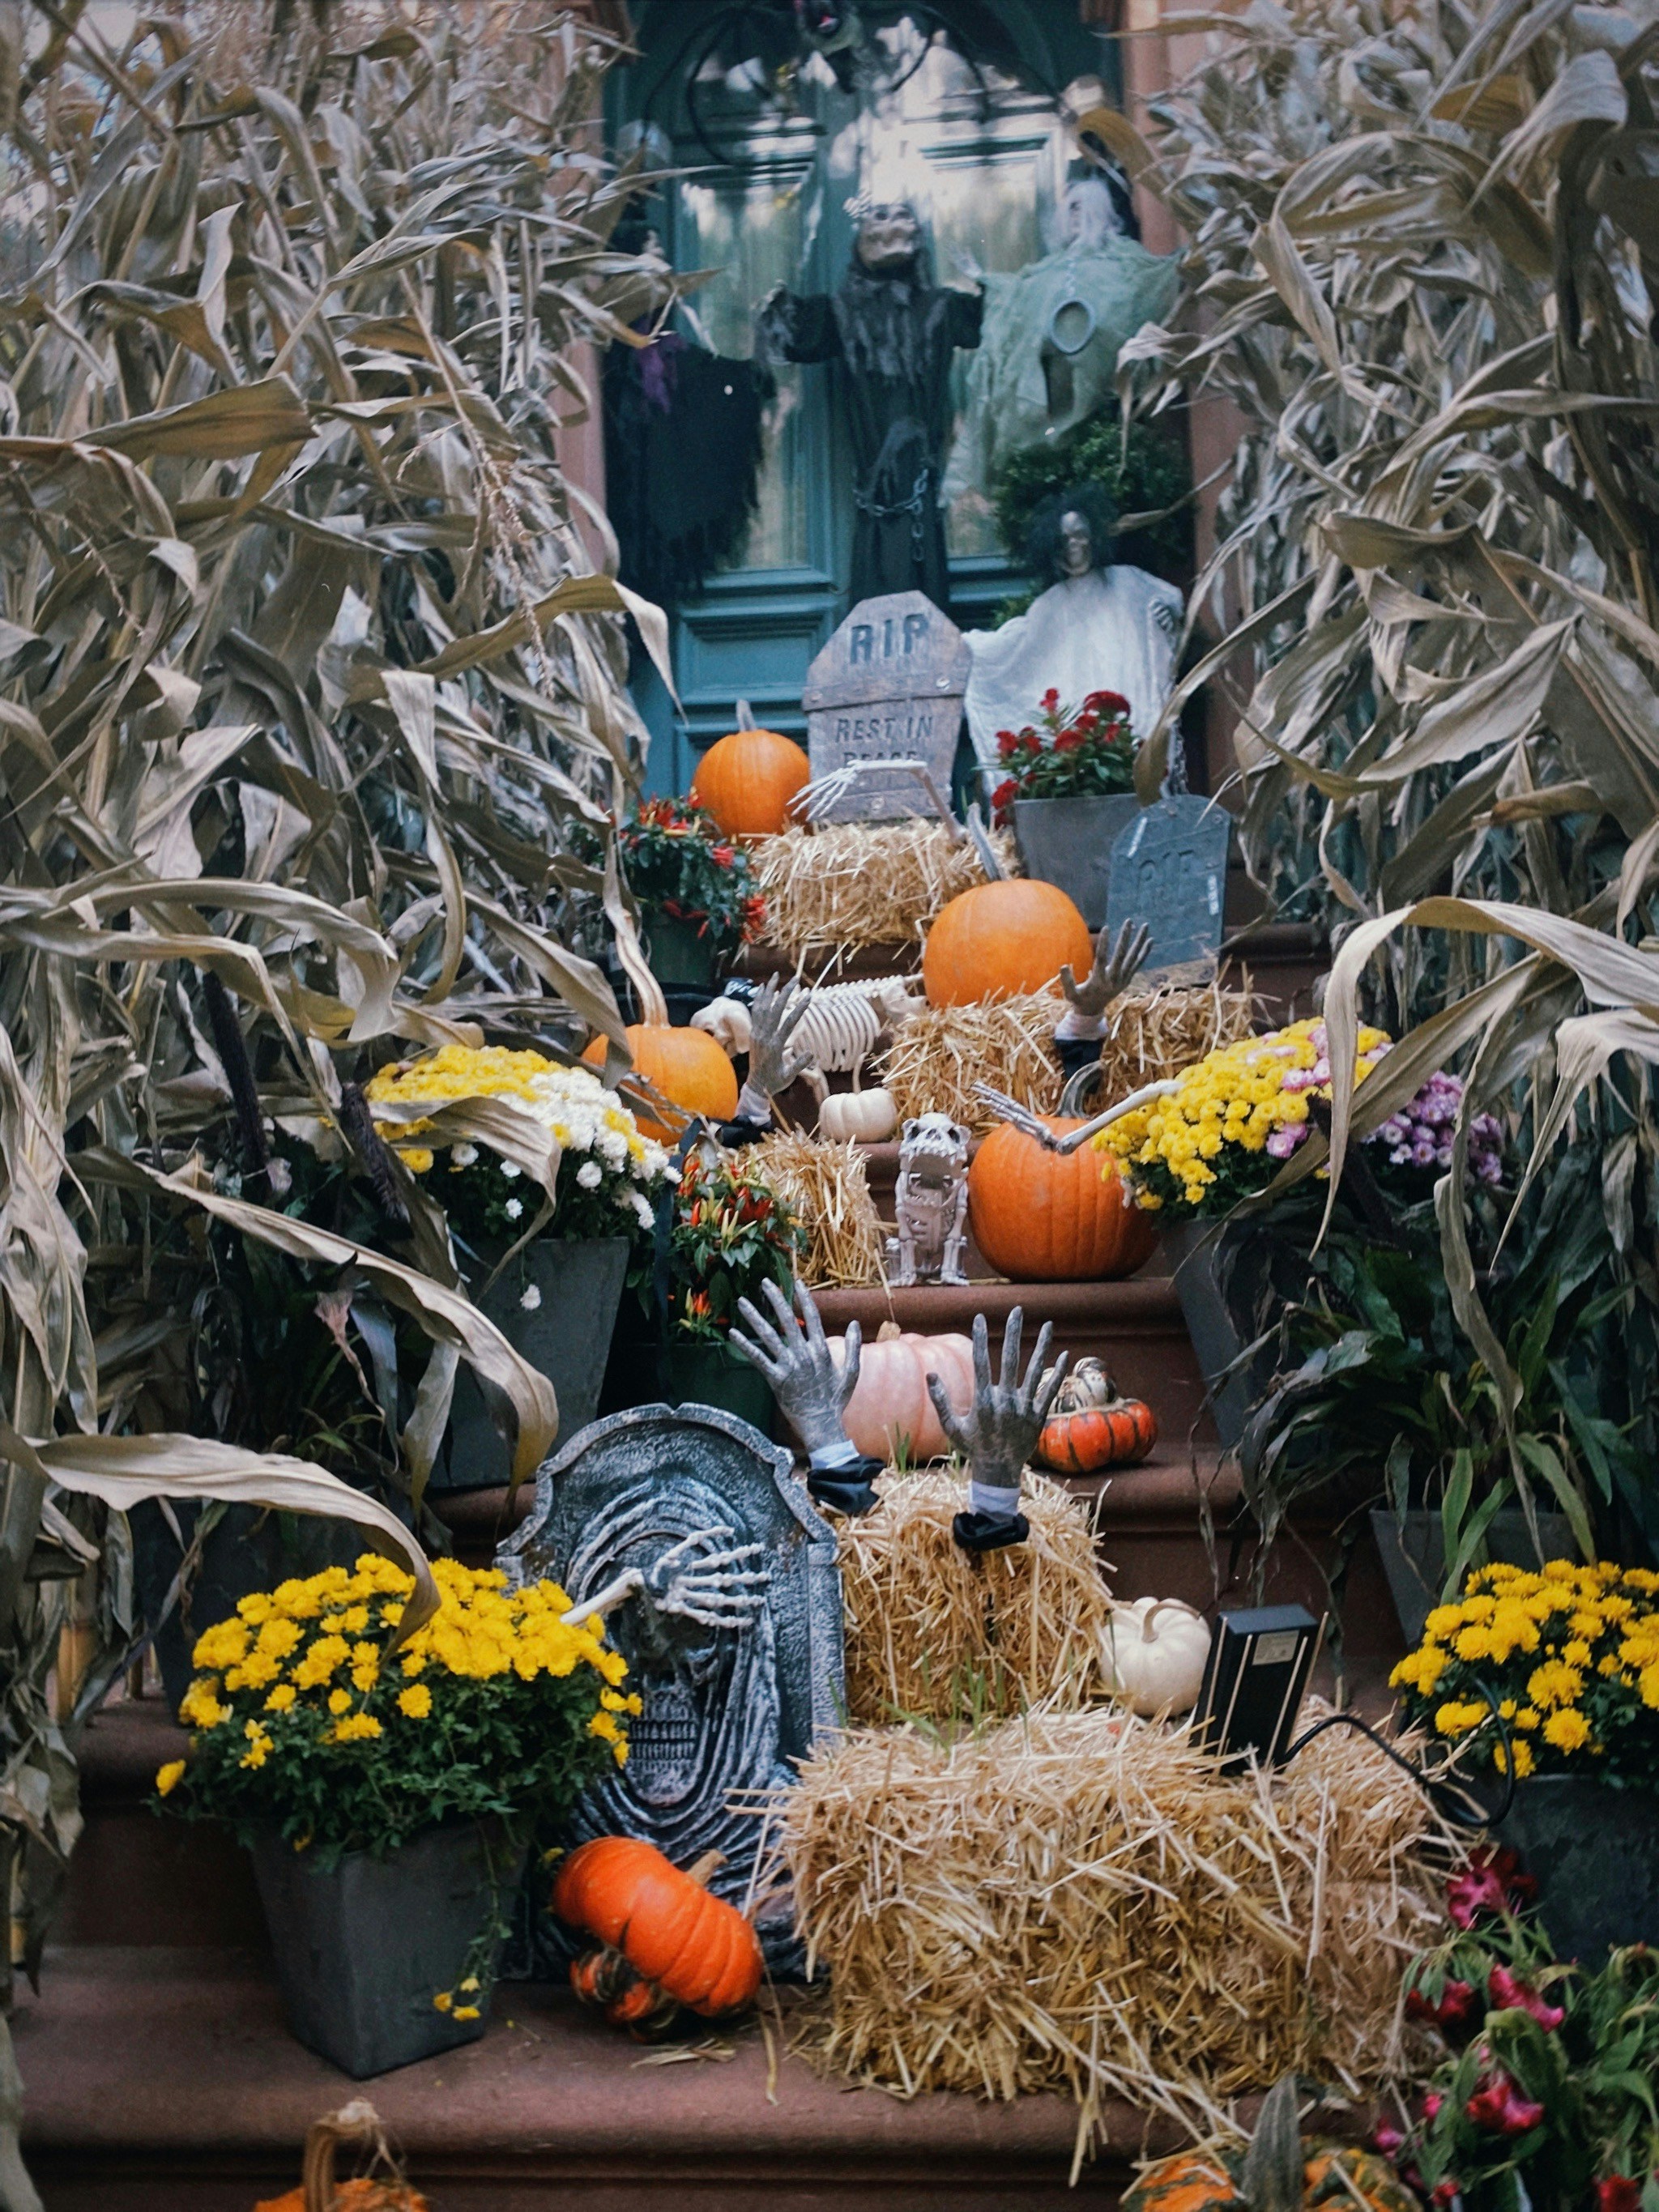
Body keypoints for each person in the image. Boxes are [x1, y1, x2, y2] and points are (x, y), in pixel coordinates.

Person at [757, 200, 982, 608]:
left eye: (900, 216)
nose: (890, 226)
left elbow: (996, 318)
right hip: (876, 491)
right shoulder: (842, 313)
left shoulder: (940, 308)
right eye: (877, 219)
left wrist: (990, 282)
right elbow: (788, 332)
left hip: (921, 483)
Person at [962, 479, 1183, 780]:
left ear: (1094, 537)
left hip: (1132, 710)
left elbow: (1171, 600)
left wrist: (1167, 614)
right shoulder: (1049, 605)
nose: (1074, 545)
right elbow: (1016, 647)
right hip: (1081, 738)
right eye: (1064, 540)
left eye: (1080, 535)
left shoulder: (1127, 581)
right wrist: (967, 648)